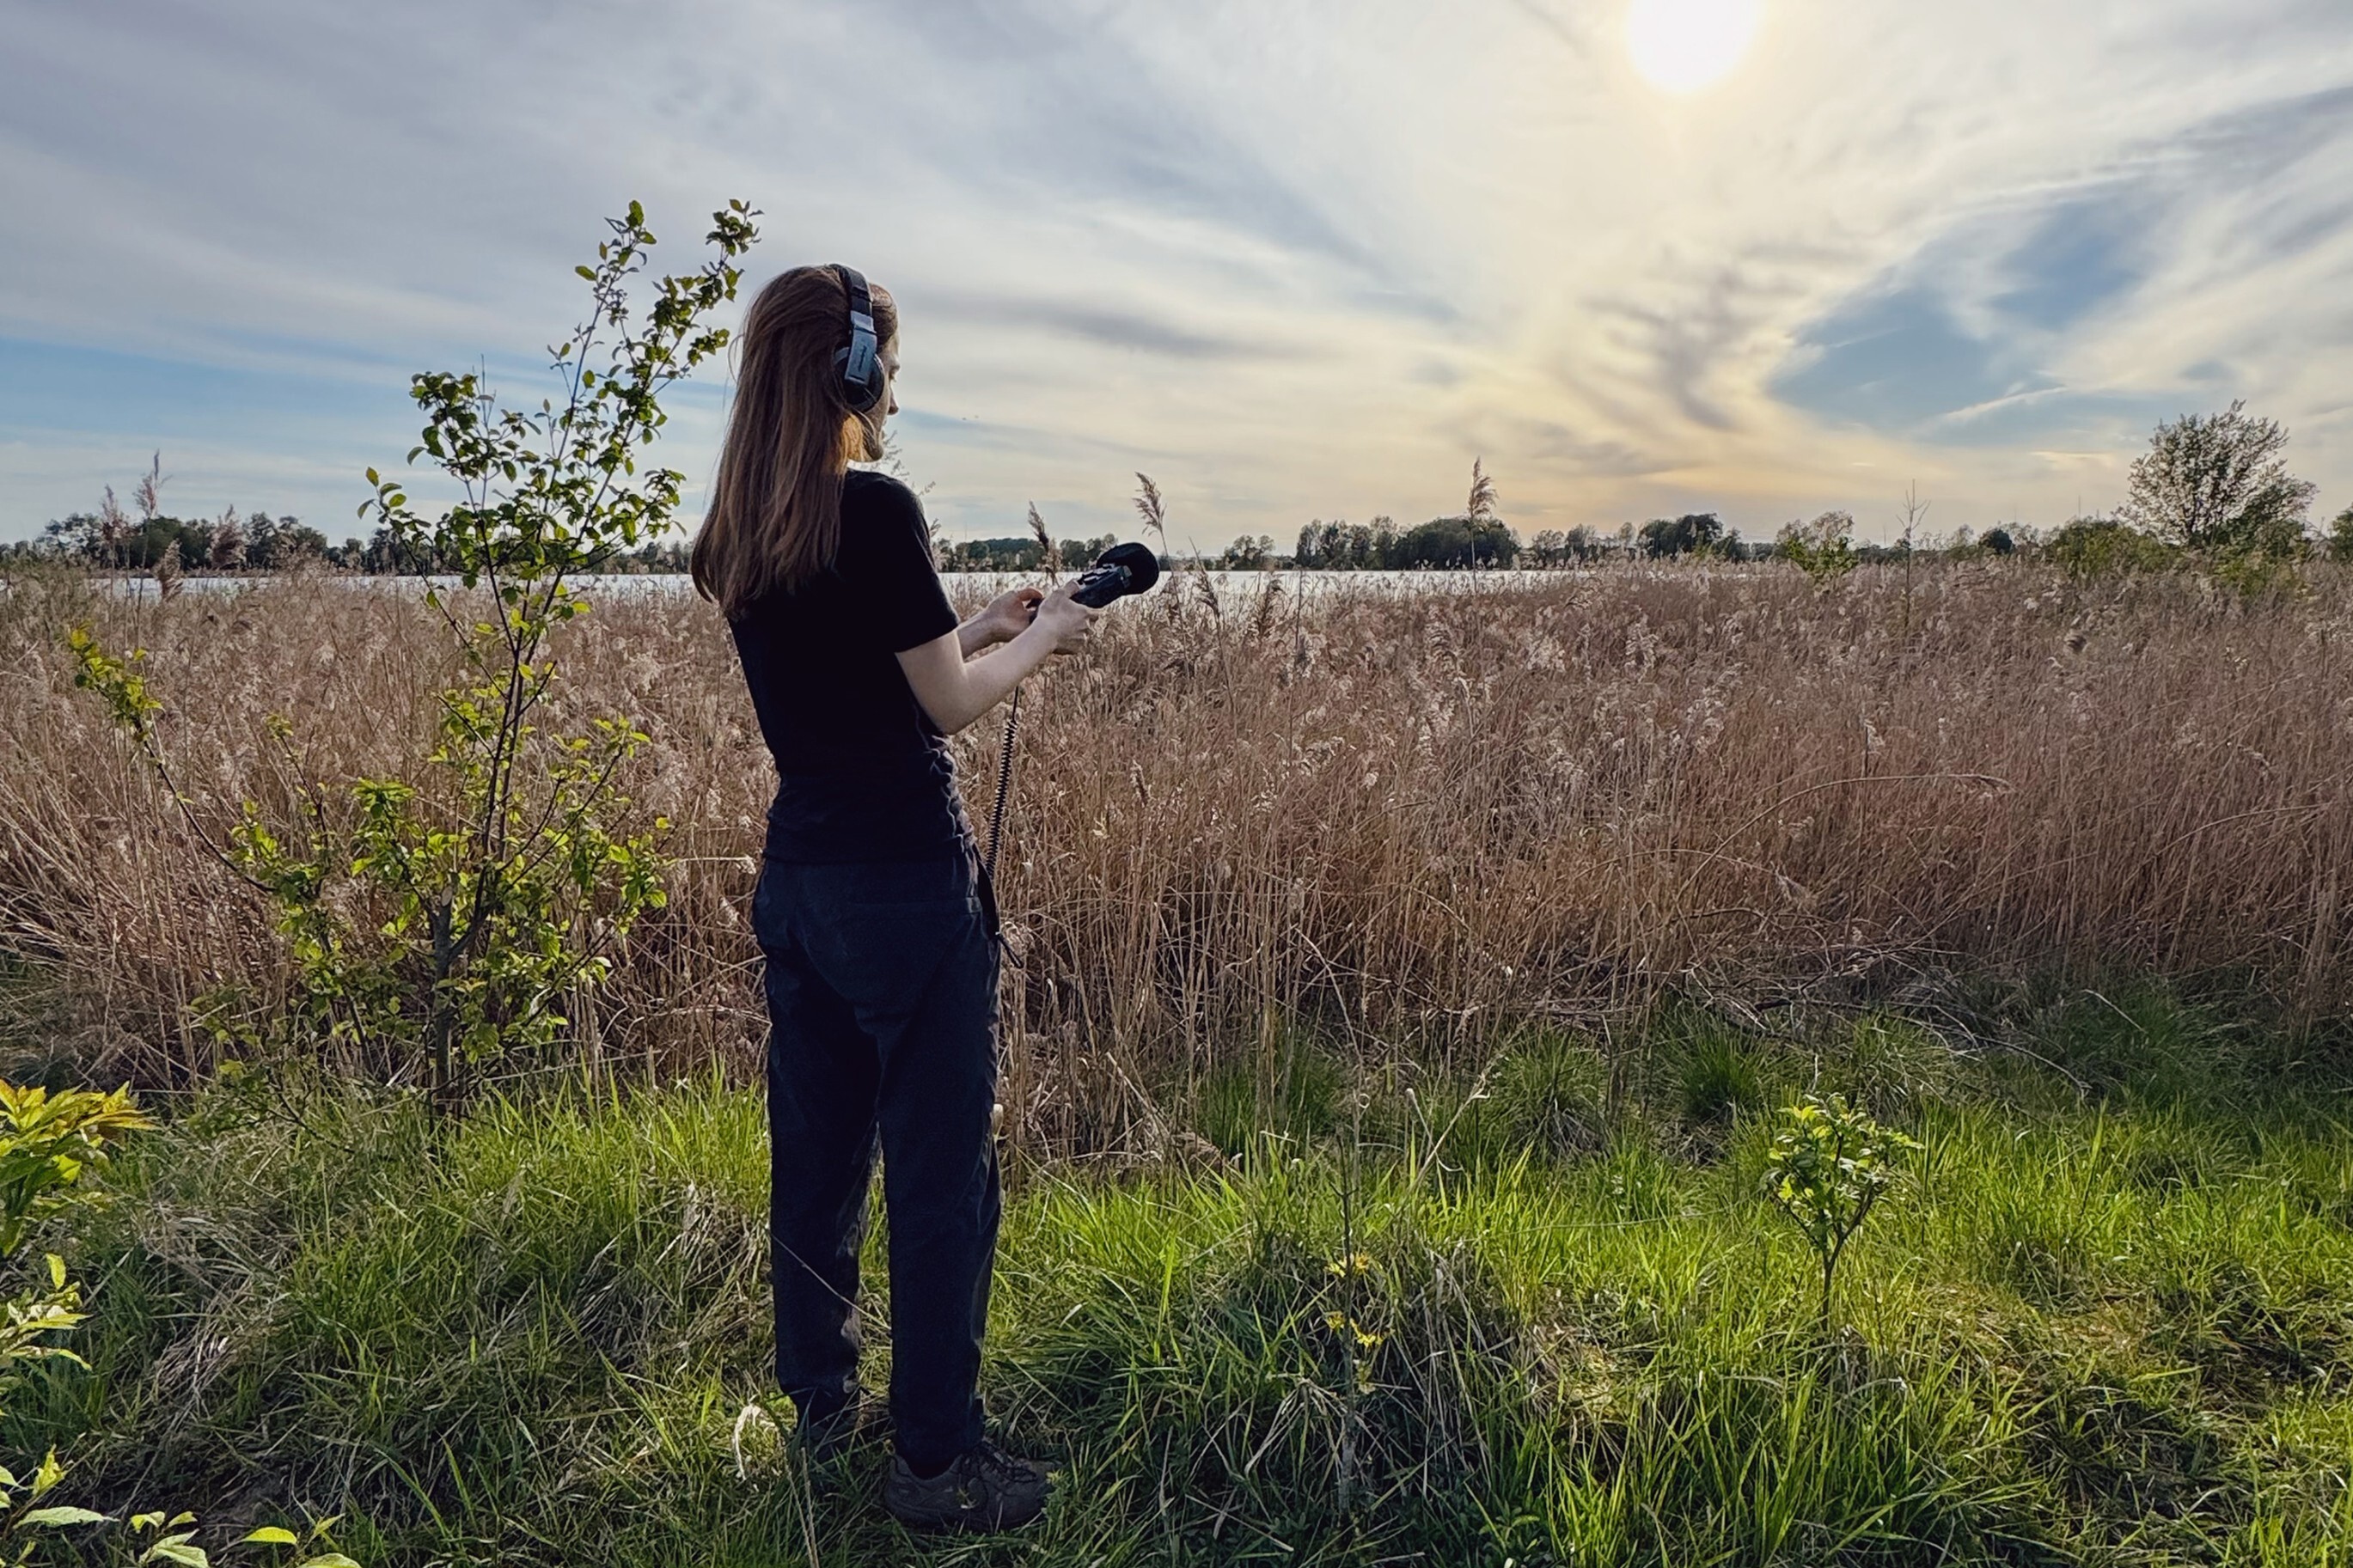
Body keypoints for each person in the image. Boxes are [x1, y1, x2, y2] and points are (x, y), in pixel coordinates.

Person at [690, 263, 1097, 1532]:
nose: (892, 391)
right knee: (937, 1179)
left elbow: (865, 669)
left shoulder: (743, 531)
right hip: (909, 892)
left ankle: (819, 1407)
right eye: (889, 368)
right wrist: (1044, 636)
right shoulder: (872, 506)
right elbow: (940, 706)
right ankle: (935, 1464)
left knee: (813, 1163)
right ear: (856, 372)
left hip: (801, 885)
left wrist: (971, 618)